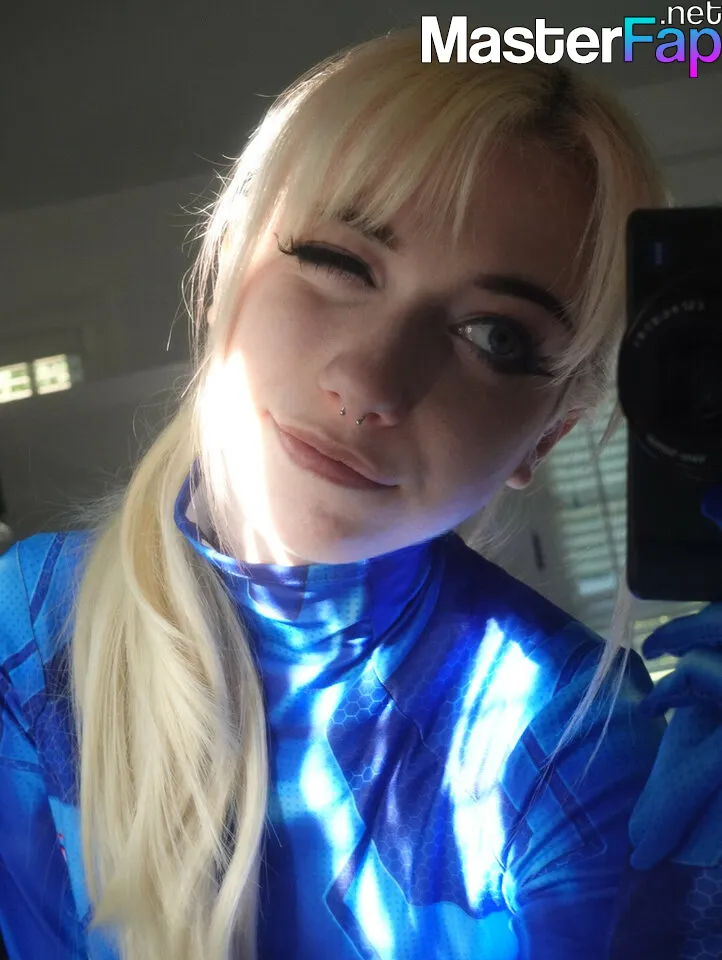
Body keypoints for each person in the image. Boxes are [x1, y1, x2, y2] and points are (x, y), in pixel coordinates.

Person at [0, 25, 681, 960]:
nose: (368, 383)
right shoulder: (27, 623)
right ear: (224, 270)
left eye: (497, 337)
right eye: (338, 260)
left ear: (548, 434)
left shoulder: (570, 735)